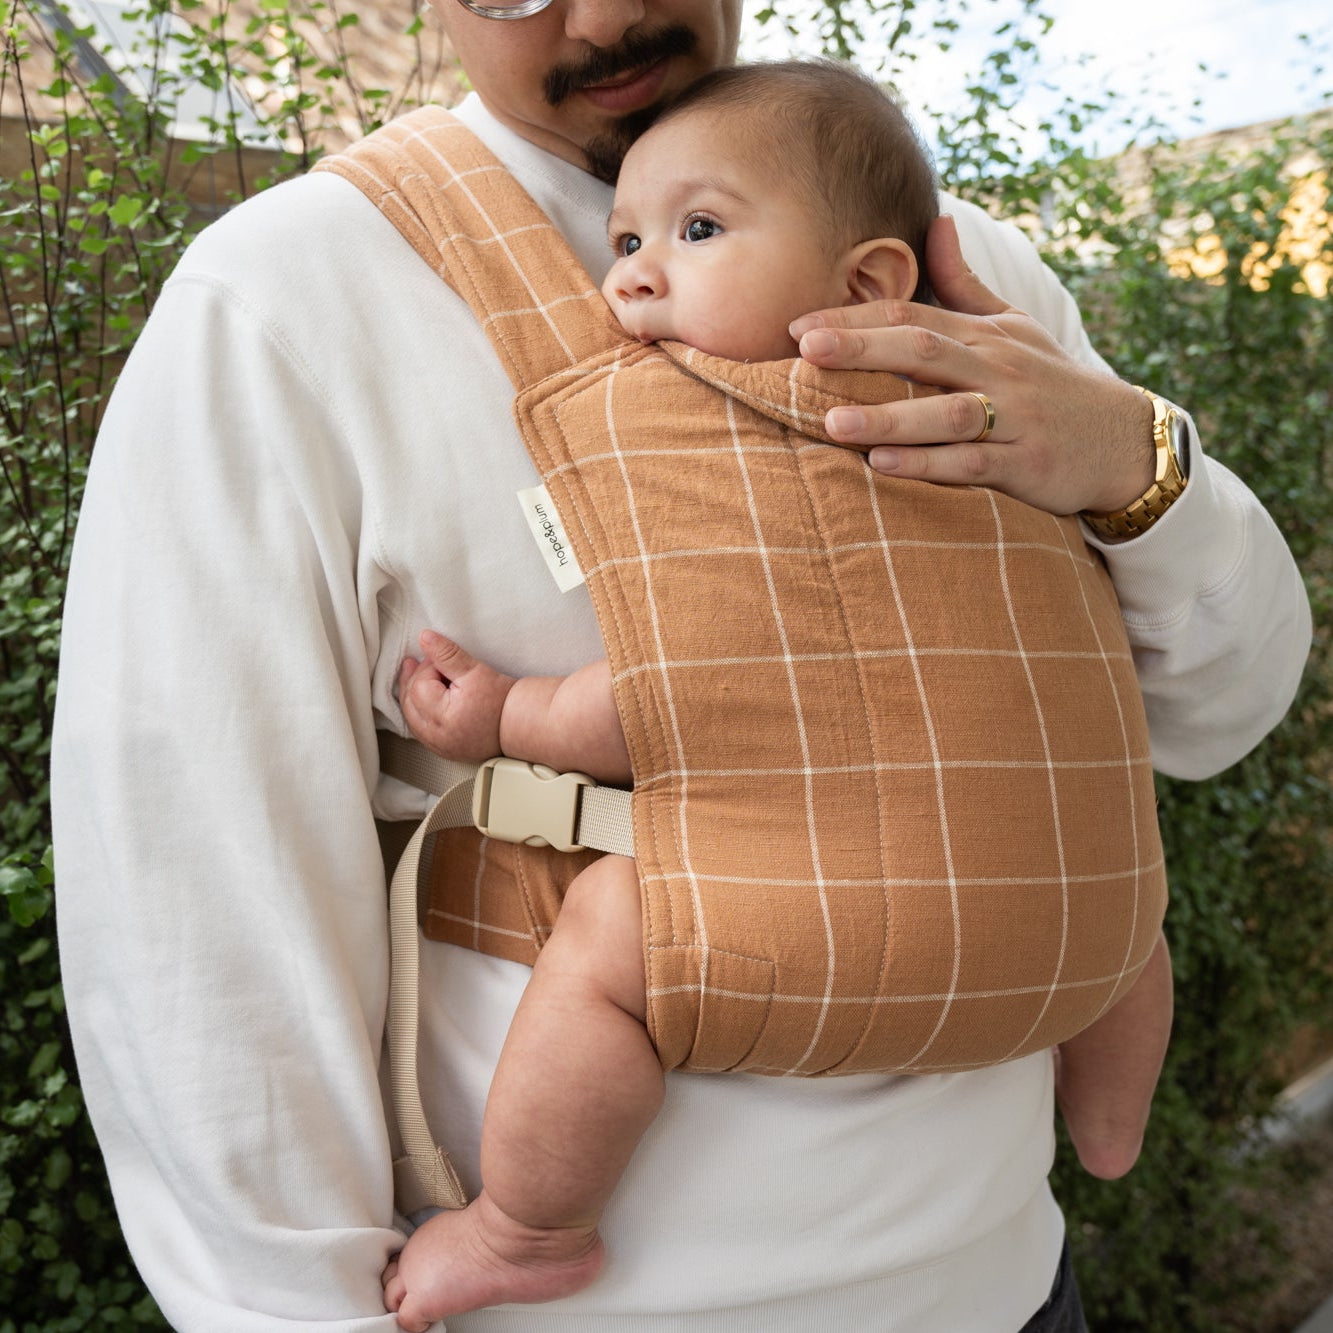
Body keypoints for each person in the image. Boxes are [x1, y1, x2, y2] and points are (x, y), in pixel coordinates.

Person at [50, 0, 1311, 1328]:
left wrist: (1133, 465)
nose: (604, 12)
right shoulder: (292, 294)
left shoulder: (957, 265)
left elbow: (1215, 714)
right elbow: (196, 887)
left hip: (1006, 1282)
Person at [382, 61, 1173, 1327]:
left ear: (867, 284)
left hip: (810, 929)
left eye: (696, 232)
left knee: (608, 942)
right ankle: (1114, 1121)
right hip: (1079, 937)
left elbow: (668, 694)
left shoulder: (703, 438)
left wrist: (500, 719)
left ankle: (526, 1227)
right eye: (625, 239)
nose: (634, 273)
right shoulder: (1010, 408)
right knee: (1119, 882)